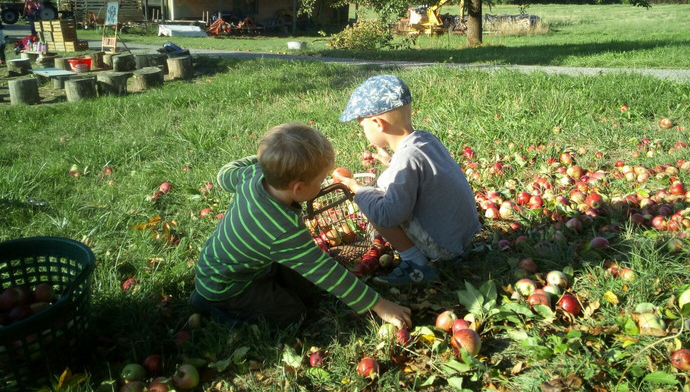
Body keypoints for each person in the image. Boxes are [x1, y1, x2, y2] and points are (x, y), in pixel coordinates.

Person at [190, 122, 412, 330]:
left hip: (231, 263)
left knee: (307, 289)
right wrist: (380, 305)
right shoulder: (281, 228)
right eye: (320, 180)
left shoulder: (253, 174)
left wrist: (270, 163)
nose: (324, 182)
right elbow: (327, 272)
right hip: (229, 285)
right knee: (292, 315)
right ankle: (212, 308)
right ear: (298, 189)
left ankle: (253, 286)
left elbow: (224, 174)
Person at [334, 75, 480, 285]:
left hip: (443, 246)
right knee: (383, 195)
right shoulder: (424, 138)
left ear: (378, 123)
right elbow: (422, 168)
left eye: (362, 126)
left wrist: (356, 188)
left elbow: (388, 216)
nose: (363, 131)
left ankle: (416, 265)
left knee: (375, 204)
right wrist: (392, 162)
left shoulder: (406, 159)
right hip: (462, 234)